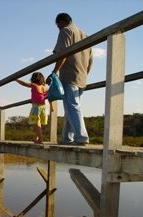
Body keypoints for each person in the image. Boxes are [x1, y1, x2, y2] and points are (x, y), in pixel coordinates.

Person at [49, 13, 93, 145]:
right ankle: (66, 138)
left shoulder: (66, 31)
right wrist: (85, 74)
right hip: (82, 76)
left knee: (72, 106)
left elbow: (62, 54)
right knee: (71, 107)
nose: (58, 29)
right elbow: (90, 61)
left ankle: (81, 137)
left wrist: (54, 72)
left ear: (61, 22)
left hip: (69, 75)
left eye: (58, 26)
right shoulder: (84, 34)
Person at [16, 72, 54, 144]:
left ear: (33, 79)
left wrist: (16, 79)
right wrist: (52, 106)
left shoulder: (34, 85)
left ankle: (40, 140)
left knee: (36, 125)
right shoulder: (45, 88)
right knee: (40, 125)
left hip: (36, 107)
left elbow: (24, 83)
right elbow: (49, 97)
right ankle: (35, 138)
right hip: (44, 107)